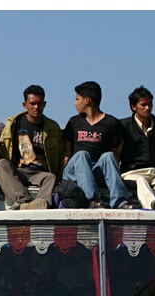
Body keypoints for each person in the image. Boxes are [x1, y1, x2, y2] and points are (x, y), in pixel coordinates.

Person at [62, 81, 136, 209]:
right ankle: (92, 199)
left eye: (77, 99)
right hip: (75, 172)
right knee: (82, 154)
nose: (75, 103)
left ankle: (120, 201)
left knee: (108, 156)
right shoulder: (74, 122)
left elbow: (115, 155)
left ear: (87, 100)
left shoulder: (111, 123)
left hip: (96, 172)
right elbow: (67, 154)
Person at [0, 84, 60, 210]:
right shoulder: (14, 123)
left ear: (44, 104)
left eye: (40, 104)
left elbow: (59, 153)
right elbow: (4, 148)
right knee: (0, 164)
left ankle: (42, 203)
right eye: (32, 103)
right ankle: (23, 200)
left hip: (40, 173)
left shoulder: (53, 127)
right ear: (24, 104)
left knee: (51, 177)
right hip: (18, 170)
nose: (36, 107)